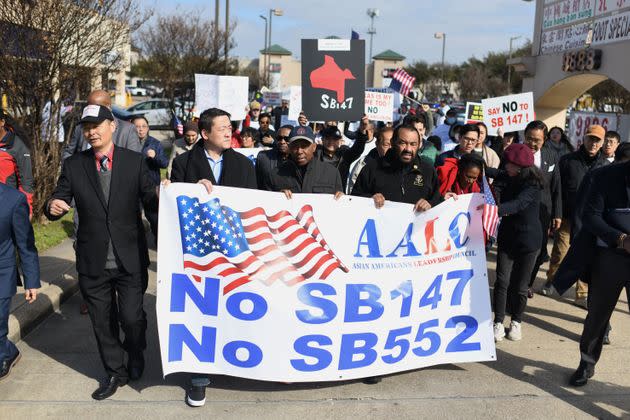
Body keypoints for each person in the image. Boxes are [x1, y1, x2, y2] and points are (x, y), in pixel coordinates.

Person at [45, 104, 159, 400]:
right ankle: (114, 372)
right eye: (86, 127)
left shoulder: (134, 163)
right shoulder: (75, 164)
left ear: (113, 127)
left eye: (97, 125)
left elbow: (152, 202)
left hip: (129, 257)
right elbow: (60, 196)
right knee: (102, 322)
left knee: (132, 319)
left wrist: (164, 201)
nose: (91, 131)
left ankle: (135, 352)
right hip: (92, 259)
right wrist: (53, 206)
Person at [169, 107, 257, 407]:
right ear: (205, 133)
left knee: (234, 309)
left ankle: (236, 363)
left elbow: (253, 206)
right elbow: (172, 208)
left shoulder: (244, 164)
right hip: (200, 253)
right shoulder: (183, 163)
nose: (229, 131)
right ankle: (198, 378)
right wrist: (191, 192)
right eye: (222, 128)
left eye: (230, 127)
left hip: (234, 252)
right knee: (201, 313)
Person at [568, 157, 630, 387]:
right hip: (610, 257)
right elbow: (590, 216)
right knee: (597, 317)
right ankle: (586, 363)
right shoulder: (606, 176)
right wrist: (621, 239)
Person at [547, 125, 608, 309]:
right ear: (584, 139)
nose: (593, 143)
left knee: (586, 256)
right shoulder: (567, 160)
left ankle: (582, 293)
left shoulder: (606, 166)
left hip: (591, 221)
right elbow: (556, 189)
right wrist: (556, 213)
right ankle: (552, 280)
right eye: (591, 139)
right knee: (560, 252)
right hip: (567, 216)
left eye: (597, 140)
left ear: (602, 143)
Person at [492, 143, 544, 342]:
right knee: (502, 281)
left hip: (529, 241)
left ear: (521, 167)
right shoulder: (507, 175)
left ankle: (516, 321)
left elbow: (519, 204)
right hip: (507, 238)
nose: (506, 166)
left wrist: (493, 210)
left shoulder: (532, 184)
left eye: (510, 164)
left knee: (521, 286)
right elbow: (493, 171)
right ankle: (497, 322)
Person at [352, 123, 442, 212]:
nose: (408, 149)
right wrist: (369, 199)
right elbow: (353, 200)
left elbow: (438, 203)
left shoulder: (428, 171)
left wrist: (430, 204)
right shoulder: (372, 168)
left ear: (419, 145)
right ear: (392, 143)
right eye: (402, 143)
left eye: (413, 144)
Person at [0, 182, 40, 381]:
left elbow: (25, 243)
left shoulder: (13, 200)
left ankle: (2, 356)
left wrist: (31, 280)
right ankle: (9, 350)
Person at [520, 121, 562, 297]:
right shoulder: (514, 153)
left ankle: (527, 283)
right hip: (518, 210)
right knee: (519, 249)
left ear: (544, 140)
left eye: (537, 140)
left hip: (542, 212)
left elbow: (556, 186)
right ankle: (516, 283)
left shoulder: (551, 156)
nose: (532, 143)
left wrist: (557, 214)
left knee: (539, 250)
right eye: (529, 138)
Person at [62, 89, 142, 160]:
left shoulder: (127, 130)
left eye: (97, 107)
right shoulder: (80, 127)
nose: (91, 132)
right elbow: (69, 152)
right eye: (90, 107)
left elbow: (135, 159)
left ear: (109, 107)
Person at [264, 125, 343, 195]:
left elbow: (338, 208)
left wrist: (342, 199)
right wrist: (277, 198)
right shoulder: (275, 175)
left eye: (304, 146)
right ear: (290, 147)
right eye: (295, 146)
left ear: (314, 147)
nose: (299, 151)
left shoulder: (332, 173)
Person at [132, 116, 168, 236]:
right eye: (137, 126)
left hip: (151, 186)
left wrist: (155, 156)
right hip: (132, 186)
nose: (140, 129)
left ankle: (159, 242)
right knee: (133, 217)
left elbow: (164, 163)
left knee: (154, 218)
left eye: (144, 126)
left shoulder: (155, 143)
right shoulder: (128, 142)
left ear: (148, 128)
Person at [315, 123, 367, 192]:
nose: (331, 142)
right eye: (328, 138)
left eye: (335, 139)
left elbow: (358, 149)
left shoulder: (345, 154)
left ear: (340, 141)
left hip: (339, 197)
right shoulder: (315, 154)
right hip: (318, 195)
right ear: (322, 139)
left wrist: (362, 131)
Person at [0, 109, 33, 212]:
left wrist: (27, 208)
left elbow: (26, 182)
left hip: (6, 206)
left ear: (2, 122)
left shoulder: (17, 145)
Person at [256, 124, 292, 191]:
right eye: (279, 138)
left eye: (287, 139)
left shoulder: (300, 159)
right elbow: (257, 184)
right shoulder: (263, 157)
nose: (282, 142)